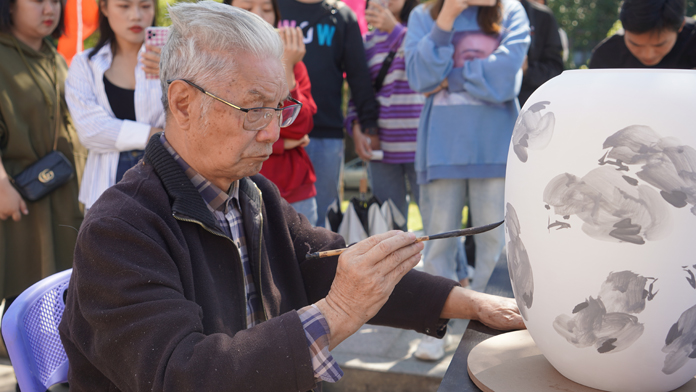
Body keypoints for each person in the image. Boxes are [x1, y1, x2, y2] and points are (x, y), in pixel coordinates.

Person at [58, 3, 525, 391]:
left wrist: (472, 304)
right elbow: (184, 375)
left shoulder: (252, 192)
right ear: (182, 103)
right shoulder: (120, 230)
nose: (271, 132)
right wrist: (339, 311)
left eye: (280, 107)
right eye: (254, 108)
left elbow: (328, 263)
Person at [404, 0, 530, 360]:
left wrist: (451, 77)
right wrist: (446, 17)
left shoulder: (512, 11)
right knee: (439, 244)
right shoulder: (421, 16)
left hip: (495, 148)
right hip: (442, 149)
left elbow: (506, 78)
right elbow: (420, 78)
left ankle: (490, 333)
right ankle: (435, 330)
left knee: (496, 246)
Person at [0, 0, 86, 313]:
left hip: (58, 195)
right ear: (9, 7)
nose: (49, 9)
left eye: (55, 1)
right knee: (18, 287)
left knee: (52, 298)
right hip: (16, 199)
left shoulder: (54, 57)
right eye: (37, 1)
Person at [277, 0, 381, 228]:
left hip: (326, 133)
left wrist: (369, 125)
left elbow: (358, 76)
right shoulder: (270, 7)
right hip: (277, 131)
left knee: (323, 219)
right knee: (271, 216)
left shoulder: (342, 15)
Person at [224, 0, 320, 226]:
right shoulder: (217, 66)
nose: (258, 17)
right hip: (239, 186)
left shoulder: (294, 64)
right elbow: (228, 129)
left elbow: (299, 125)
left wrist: (286, 66)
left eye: (267, 9)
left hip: (295, 188)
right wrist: (283, 144)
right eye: (247, 9)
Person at [65, 0, 165, 211]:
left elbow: (191, 117)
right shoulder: (85, 65)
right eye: (124, 6)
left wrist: (174, 71)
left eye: (145, 6)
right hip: (105, 185)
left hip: (166, 179)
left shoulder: (174, 61)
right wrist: (156, 133)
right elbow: (91, 130)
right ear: (104, 7)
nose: (136, 15)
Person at [345, 0, 422, 230]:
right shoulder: (365, 43)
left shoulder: (422, 32)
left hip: (423, 146)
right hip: (382, 147)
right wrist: (356, 128)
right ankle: (400, 268)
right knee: (391, 225)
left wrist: (395, 30)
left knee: (437, 220)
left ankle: (451, 268)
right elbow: (357, 92)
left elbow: (428, 61)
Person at [589, 0, 696, 69]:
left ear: (681, 25)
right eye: (635, 44)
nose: (648, 55)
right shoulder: (606, 56)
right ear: (624, 28)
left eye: (659, 45)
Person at [518, 0, 563, 107]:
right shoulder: (475, 11)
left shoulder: (542, 16)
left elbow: (556, 71)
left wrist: (527, 69)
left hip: (526, 109)